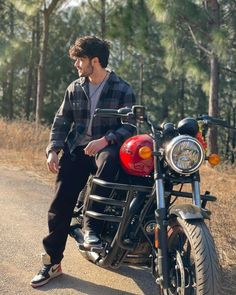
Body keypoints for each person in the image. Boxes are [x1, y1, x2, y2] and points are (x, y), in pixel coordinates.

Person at [30, 36, 136, 288]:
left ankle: (92, 231)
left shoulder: (122, 88)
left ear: (95, 61)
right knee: (60, 202)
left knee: (109, 160)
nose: (76, 64)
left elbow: (130, 127)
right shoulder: (75, 87)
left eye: (80, 59)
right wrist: (53, 149)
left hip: (105, 149)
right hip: (77, 149)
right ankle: (52, 262)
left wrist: (106, 140)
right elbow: (61, 121)